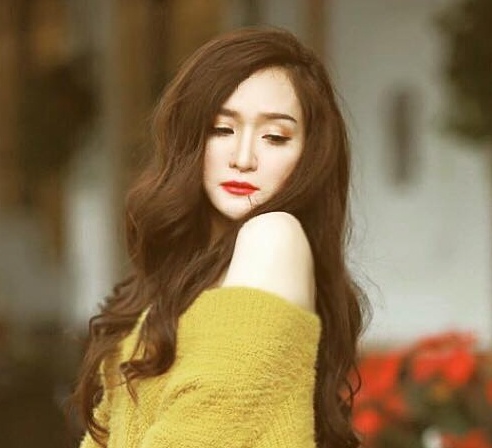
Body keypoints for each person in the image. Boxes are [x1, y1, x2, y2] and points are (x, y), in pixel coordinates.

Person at [72, 26, 369, 448]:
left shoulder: (272, 238)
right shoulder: (175, 284)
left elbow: (202, 434)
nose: (243, 158)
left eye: (274, 137)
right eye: (221, 129)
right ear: (190, 137)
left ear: (310, 155)